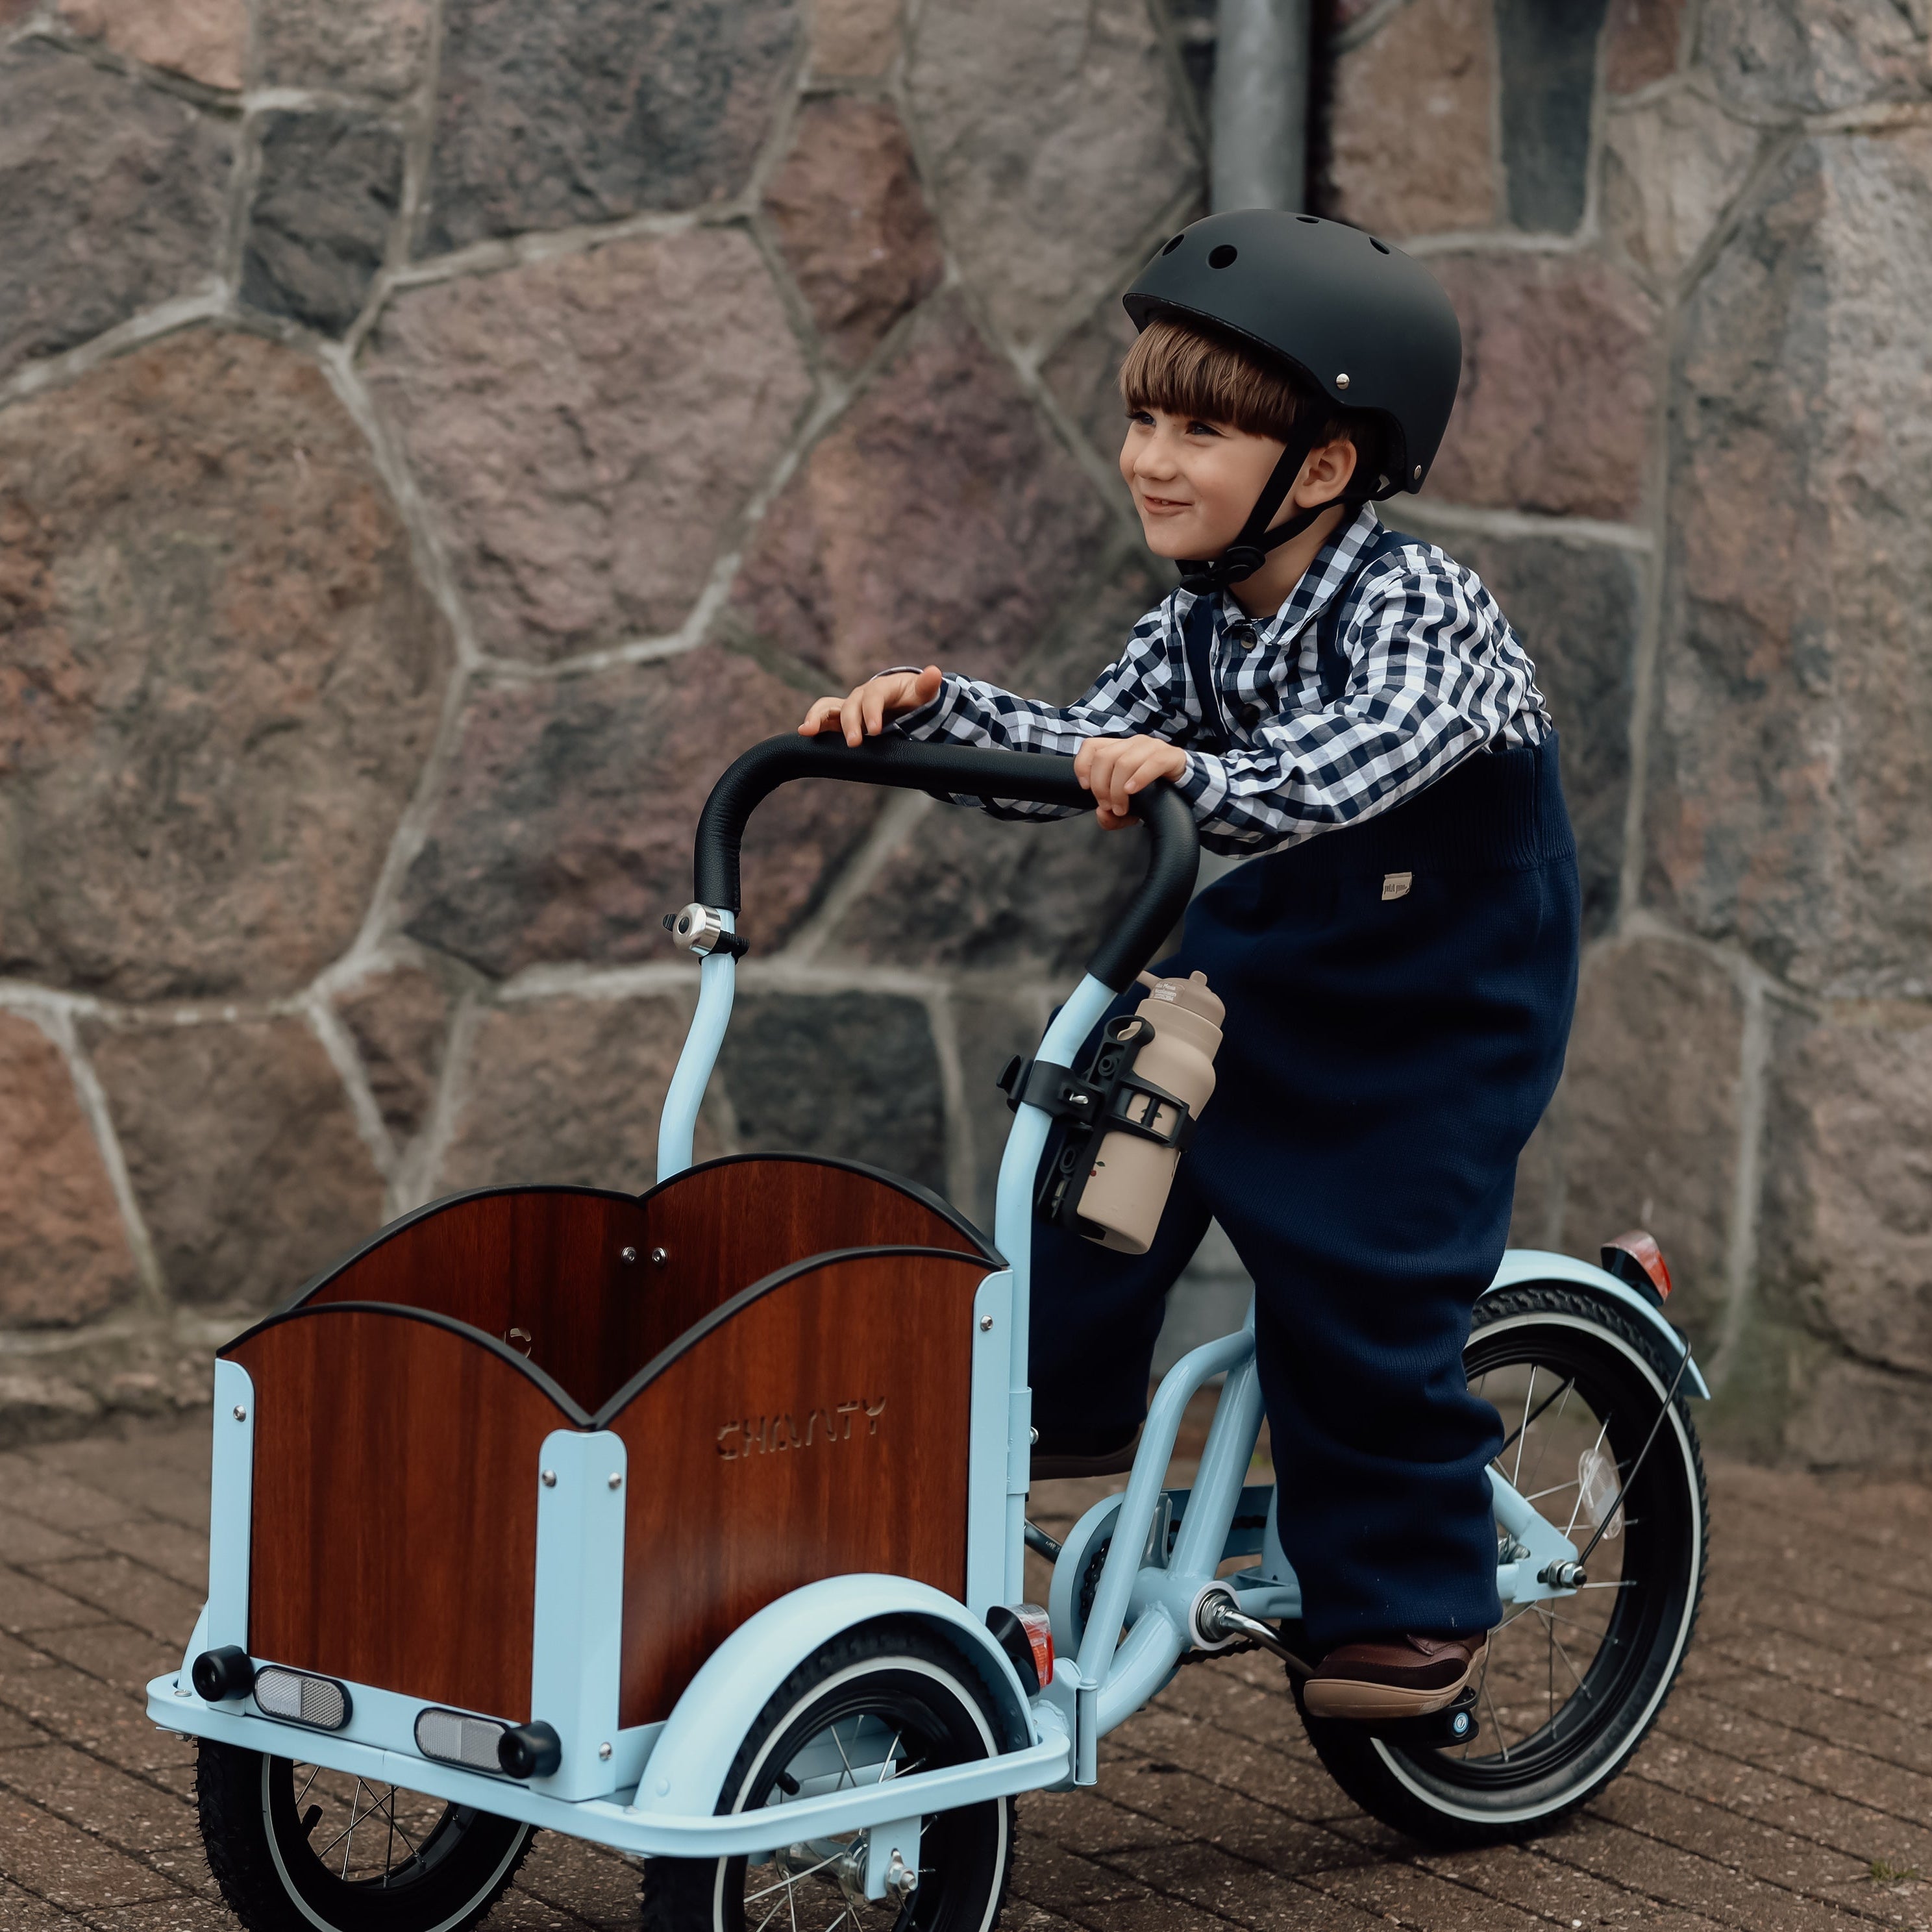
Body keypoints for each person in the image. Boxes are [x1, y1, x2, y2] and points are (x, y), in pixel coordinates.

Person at [797, 210, 1579, 1722]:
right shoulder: (1201, 622)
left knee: (1359, 1266)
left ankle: (1415, 1597)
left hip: (1445, 989)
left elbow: (1359, 760)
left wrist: (1204, 780)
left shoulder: (1422, 603)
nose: (1152, 459)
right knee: (1101, 1123)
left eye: (1201, 432)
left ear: (1325, 467)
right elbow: (1087, 744)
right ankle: (1066, 1401)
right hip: (1289, 942)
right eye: (1143, 420)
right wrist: (933, 720)